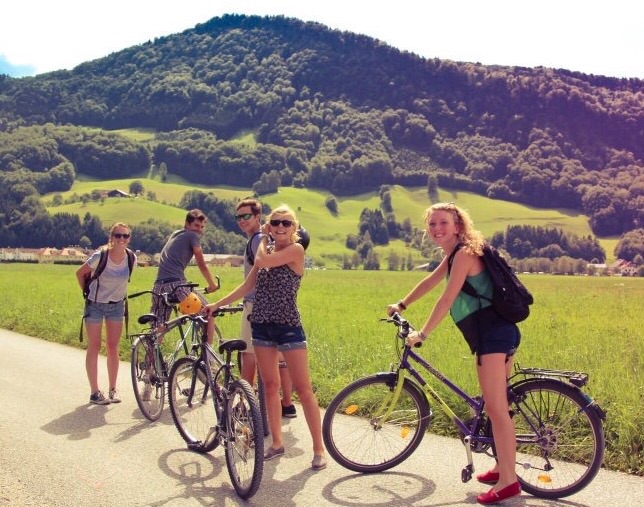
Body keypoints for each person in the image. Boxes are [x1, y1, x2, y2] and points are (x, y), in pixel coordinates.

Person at [387, 202, 521, 505]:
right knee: (495, 405)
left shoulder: (464, 254)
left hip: (493, 336)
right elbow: (431, 281)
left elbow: (447, 298)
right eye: (432, 224)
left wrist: (422, 333)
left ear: (458, 226)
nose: (436, 229)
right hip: (497, 332)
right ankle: (503, 466)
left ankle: (509, 483)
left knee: (497, 410)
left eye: (443, 223)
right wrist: (402, 304)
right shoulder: (455, 253)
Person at [206, 204, 326, 470]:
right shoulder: (268, 249)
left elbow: (261, 260)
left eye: (286, 223)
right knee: (269, 386)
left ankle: (319, 449)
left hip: (288, 326)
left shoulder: (295, 250)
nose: (281, 227)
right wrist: (217, 305)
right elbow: (248, 286)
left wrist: (263, 238)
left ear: (294, 228)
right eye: (276, 223)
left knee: (303, 390)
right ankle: (277, 443)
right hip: (260, 324)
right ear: (270, 226)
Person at [235, 198, 297, 418]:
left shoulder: (258, 240)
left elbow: (256, 274)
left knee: (248, 358)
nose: (242, 220)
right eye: (238, 217)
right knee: (278, 359)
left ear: (258, 217)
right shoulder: (260, 239)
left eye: (246, 216)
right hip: (271, 309)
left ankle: (244, 407)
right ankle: (285, 404)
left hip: (255, 307)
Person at [76, 222, 137, 405]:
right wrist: (86, 293)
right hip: (95, 305)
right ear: (111, 238)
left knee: (113, 347)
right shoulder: (100, 256)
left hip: (117, 306)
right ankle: (95, 392)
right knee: (94, 346)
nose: (121, 239)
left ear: (129, 239)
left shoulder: (131, 258)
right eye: (118, 235)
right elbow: (80, 273)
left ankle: (112, 390)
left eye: (125, 236)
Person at [151, 209, 219, 342]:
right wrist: (212, 284)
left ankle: (152, 359)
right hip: (177, 285)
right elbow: (201, 263)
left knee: (159, 325)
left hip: (159, 286)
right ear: (187, 225)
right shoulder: (192, 236)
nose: (199, 230)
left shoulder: (175, 234)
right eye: (196, 226)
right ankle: (208, 358)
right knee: (209, 313)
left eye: (202, 227)